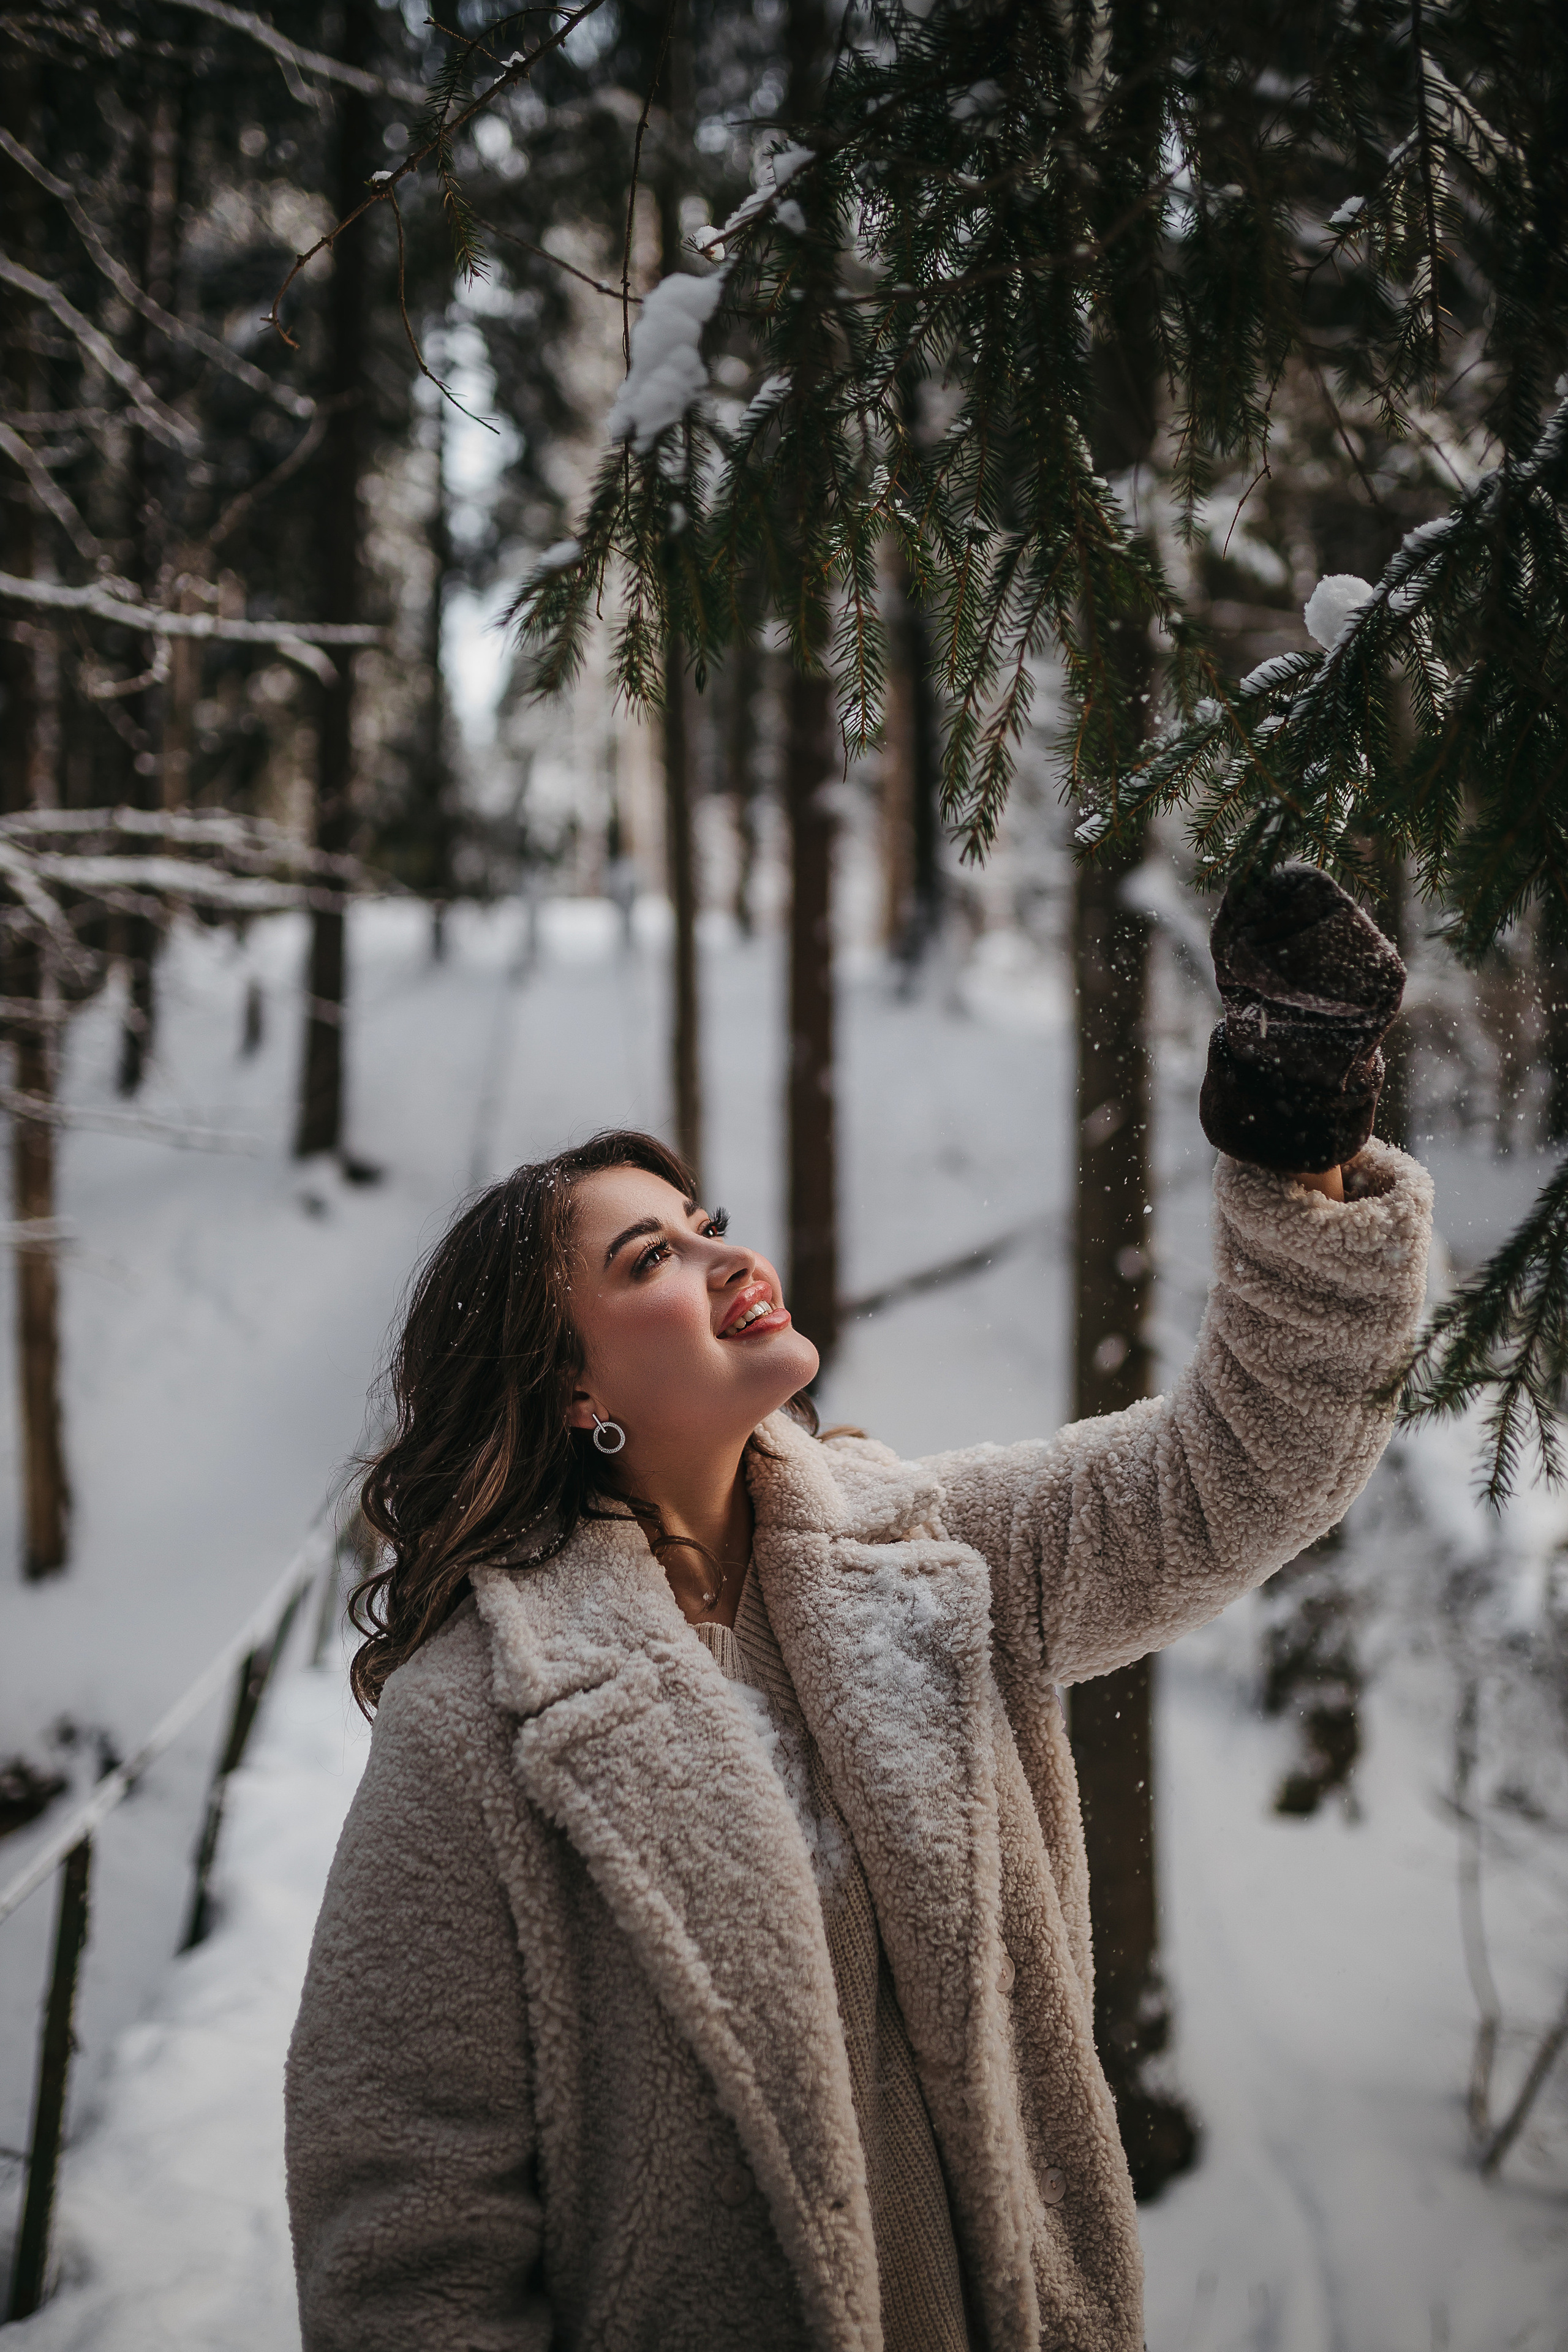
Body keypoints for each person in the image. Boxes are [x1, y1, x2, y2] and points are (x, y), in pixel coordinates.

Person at [285, 867, 1433, 2352]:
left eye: (706, 1222)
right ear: (569, 1389)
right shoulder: (475, 1734)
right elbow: (406, 2258)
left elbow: (1241, 1463)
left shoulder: (933, 1557)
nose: (728, 1259)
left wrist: (1301, 1164)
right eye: (654, 1259)